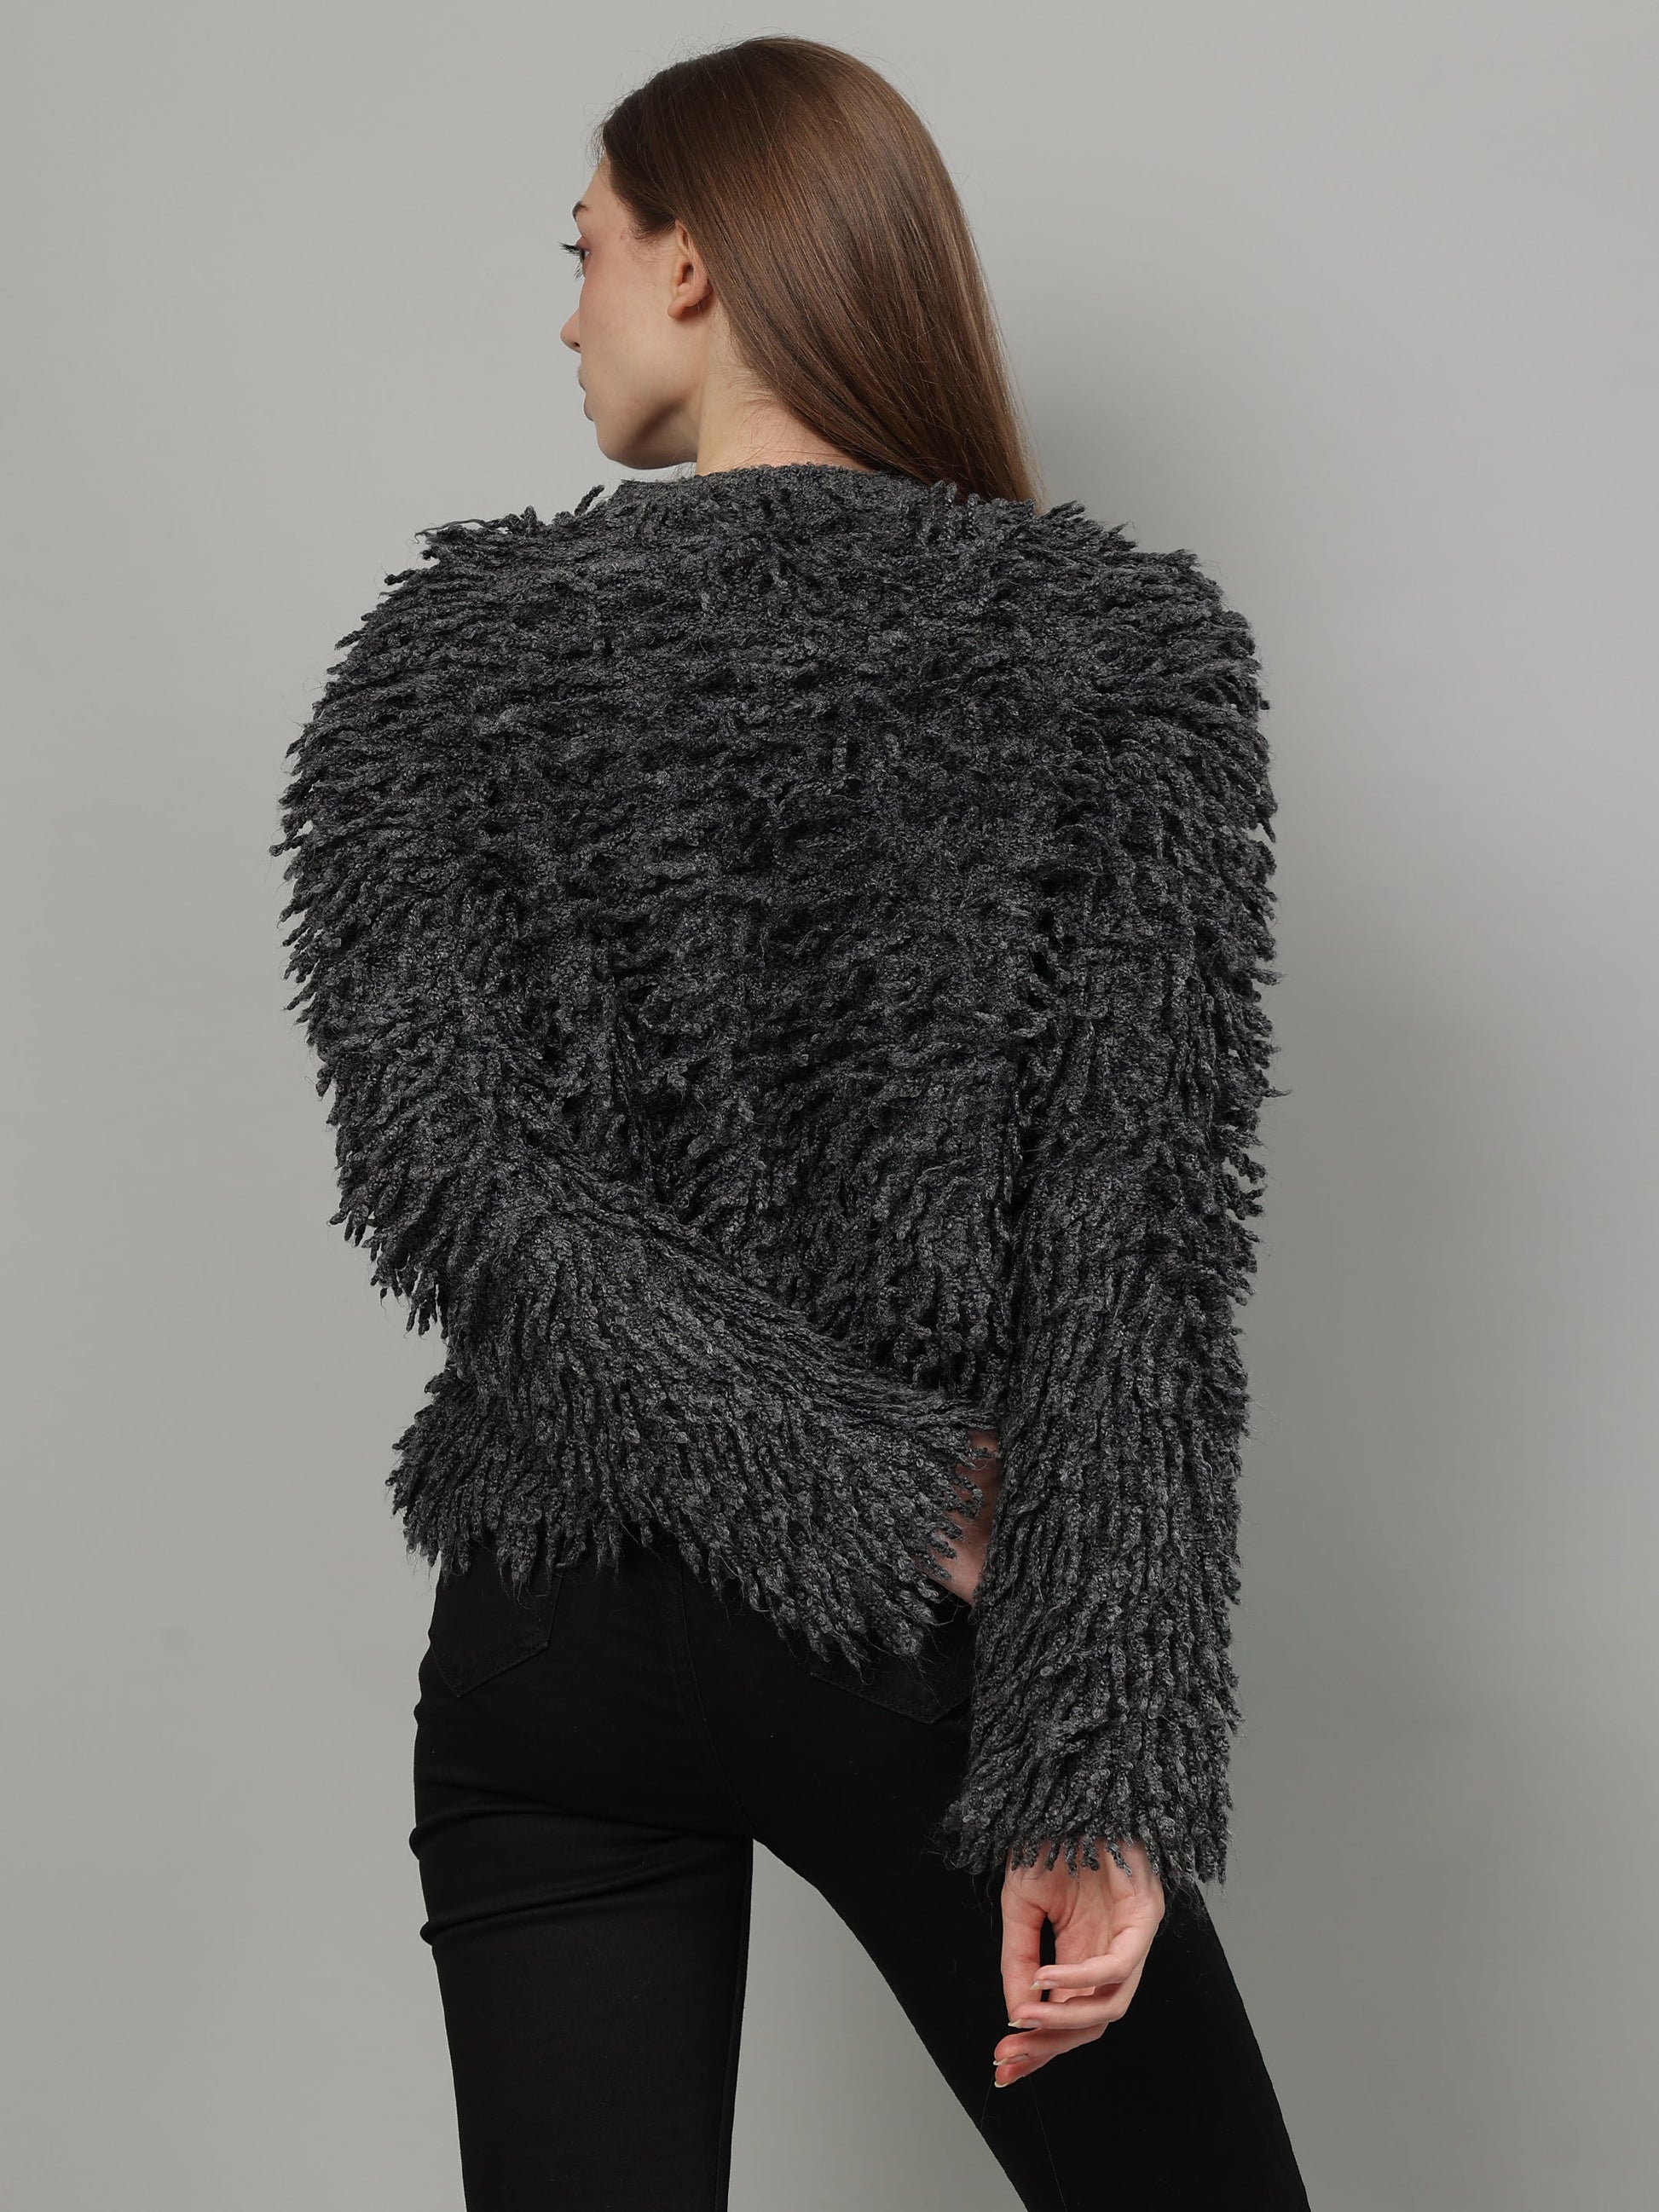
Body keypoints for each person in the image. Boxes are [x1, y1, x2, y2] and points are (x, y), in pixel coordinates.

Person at [272, 33, 1310, 2212]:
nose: (565, 315)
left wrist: (1072, 1718)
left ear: (694, 261)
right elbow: (1127, 1250)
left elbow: (452, 1172)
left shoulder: (443, 662)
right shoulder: (1121, 657)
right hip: (906, 1631)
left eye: (583, 252)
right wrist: (1046, 1685)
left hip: (548, 1623)